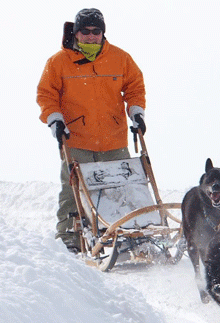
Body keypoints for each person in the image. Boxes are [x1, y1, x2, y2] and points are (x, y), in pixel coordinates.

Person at [37, 8, 146, 252]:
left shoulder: (120, 58)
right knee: (73, 190)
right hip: (76, 140)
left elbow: (135, 87)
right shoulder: (58, 62)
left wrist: (137, 112)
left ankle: (132, 236)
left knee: (124, 188)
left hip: (113, 139)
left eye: (96, 31)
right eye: (85, 31)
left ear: (103, 33)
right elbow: (46, 94)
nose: (90, 36)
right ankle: (70, 241)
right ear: (75, 33)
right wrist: (55, 120)